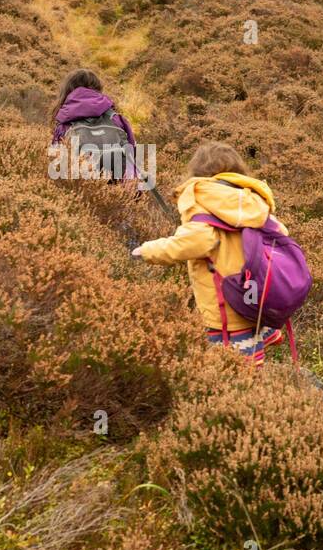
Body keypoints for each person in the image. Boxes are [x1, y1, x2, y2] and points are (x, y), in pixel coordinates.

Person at [131, 142, 289, 363]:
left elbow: (196, 241)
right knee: (252, 357)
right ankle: (264, 343)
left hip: (226, 311)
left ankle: (249, 393)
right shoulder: (250, 199)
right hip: (256, 298)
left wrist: (148, 250)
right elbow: (281, 232)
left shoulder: (203, 199)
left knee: (237, 371)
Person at [50, 68, 137, 181]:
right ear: (98, 89)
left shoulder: (63, 125)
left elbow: (57, 167)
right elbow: (132, 153)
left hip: (83, 192)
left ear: (67, 92)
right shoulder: (116, 118)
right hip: (123, 191)